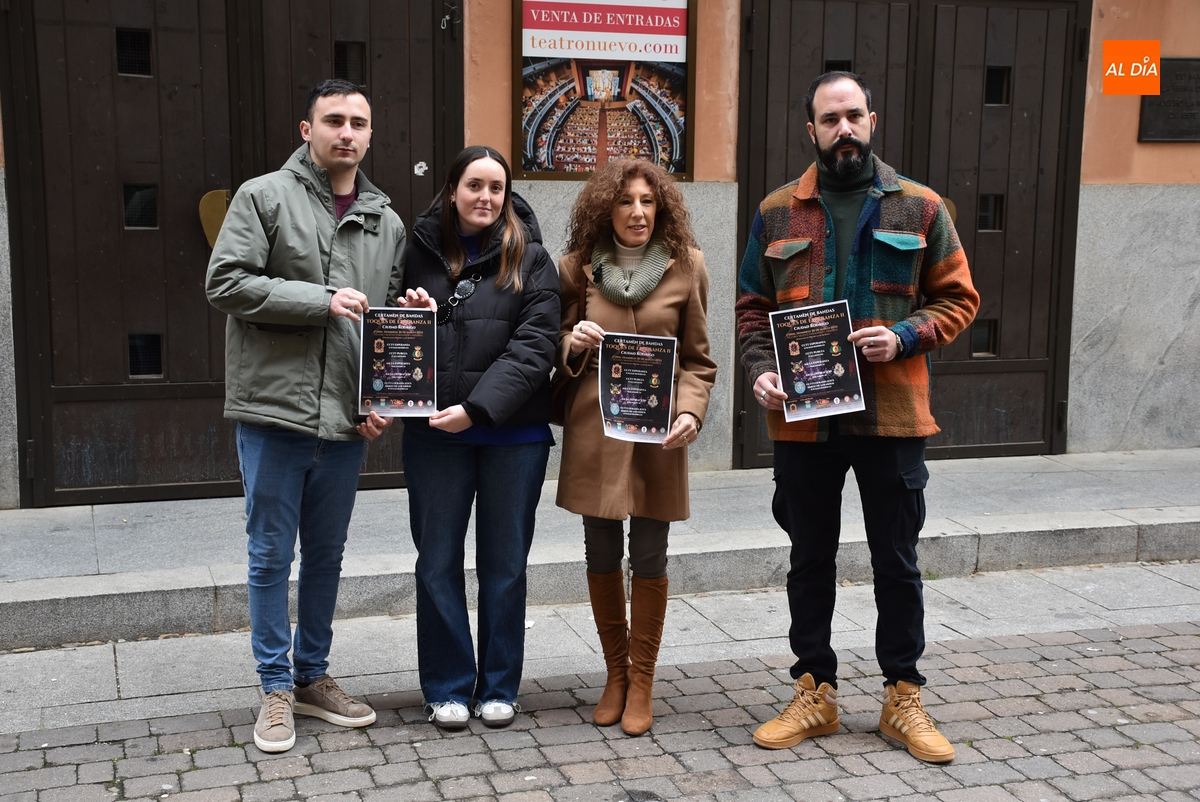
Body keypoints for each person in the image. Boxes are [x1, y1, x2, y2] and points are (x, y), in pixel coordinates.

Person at [735, 72, 979, 762]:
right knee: (808, 560)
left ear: (873, 120)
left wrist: (904, 335)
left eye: (852, 116)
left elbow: (959, 300)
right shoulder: (777, 211)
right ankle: (814, 690)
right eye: (828, 119)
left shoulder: (922, 208)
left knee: (896, 562)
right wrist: (761, 370)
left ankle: (903, 695)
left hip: (892, 418)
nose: (843, 129)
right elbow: (753, 308)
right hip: (805, 422)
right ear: (808, 130)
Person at [206, 79, 428, 753]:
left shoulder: (385, 219)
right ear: (308, 130)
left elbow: (379, 322)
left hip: (343, 419)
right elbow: (226, 282)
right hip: (273, 413)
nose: (347, 132)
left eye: (358, 121)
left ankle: (312, 676)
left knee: (326, 556)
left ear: (369, 134)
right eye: (333, 120)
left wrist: (383, 393)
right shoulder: (263, 196)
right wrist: (321, 297)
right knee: (271, 555)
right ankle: (274, 687)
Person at [401, 146, 560, 731]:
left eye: (497, 187)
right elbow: (396, 336)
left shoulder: (534, 258)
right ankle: (446, 686)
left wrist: (476, 409)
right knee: (437, 562)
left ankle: (498, 685)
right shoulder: (414, 252)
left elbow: (535, 347)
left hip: (511, 436)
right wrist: (411, 311)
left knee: (505, 566)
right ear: (450, 189)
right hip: (434, 434)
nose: (486, 198)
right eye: (474, 185)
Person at [556, 159, 717, 736]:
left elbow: (699, 360)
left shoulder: (686, 267)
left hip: (658, 436)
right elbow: (555, 352)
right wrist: (571, 341)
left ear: (662, 207)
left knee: (649, 552)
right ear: (607, 208)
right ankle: (614, 675)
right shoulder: (576, 269)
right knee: (599, 550)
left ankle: (643, 678)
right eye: (625, 201)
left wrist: (691, 411)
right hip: (597, 431)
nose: (638, 212)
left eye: (648, 201)